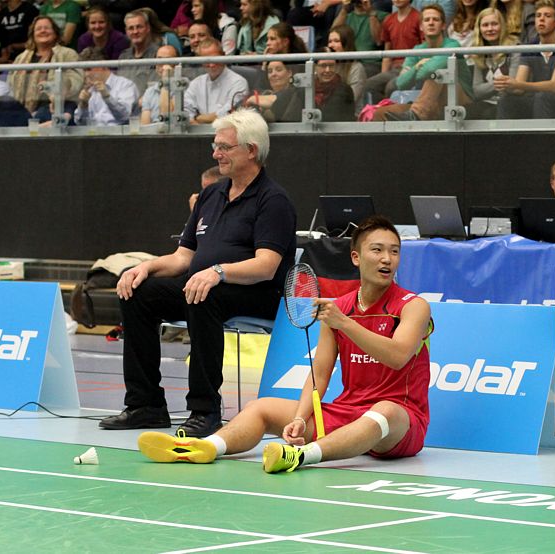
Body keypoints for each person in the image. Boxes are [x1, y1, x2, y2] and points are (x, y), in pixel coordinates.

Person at [137, 214, 434, 475]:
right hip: (347, 413)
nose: (387, 259)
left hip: (401, 423)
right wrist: (300, 418)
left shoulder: (412, 306)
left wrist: (345, 323)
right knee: (261, 407)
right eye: (377, 250)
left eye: (394, 251)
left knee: (385, 411)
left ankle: (300, 456)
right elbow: (320, 373)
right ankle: (205, 447)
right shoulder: (341, 307)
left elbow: (398, 356)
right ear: (356, 257)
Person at [99, 108, 297, 437]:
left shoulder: (273, 200)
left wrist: (218, 272)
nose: (216, 154)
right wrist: (145, 267)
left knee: (204, 294)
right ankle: (145, 405)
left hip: (260, 293)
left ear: (251, 150)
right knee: (139, 293)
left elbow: (266, 265)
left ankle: (205, 411)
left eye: (224, 147)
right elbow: (183, 257)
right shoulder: (211, 195)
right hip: (206, 286)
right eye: (215, 146)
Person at [376, 4, 473, 121]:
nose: (431, 23)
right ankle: (414, 117)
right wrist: (416, 67)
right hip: (430, 103)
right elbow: (401, 83)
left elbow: (430, 69)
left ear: (443, 25)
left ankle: (417, 114)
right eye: (427, 20)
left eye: (435, 19)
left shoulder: (452, 45)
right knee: (380, 113)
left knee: (437, 75)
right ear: (421, 27)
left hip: (460, 100)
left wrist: (417, 72)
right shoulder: (417, 50)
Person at [495, 0, 555, 119]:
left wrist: (518, 84)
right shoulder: (530, 47)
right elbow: (519, 89)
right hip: (541, 101)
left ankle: (540, 133)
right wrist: (507, 84)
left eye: (547, 16)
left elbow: (554, 86)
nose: (541, 19)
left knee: (542, 97)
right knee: (506, 101)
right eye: (538, 16)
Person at [8, 15, 83, 120]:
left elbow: (76, 81)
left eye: (47, 28)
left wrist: (58, 87)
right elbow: (10, 84)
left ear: (55, 33)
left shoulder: (68, 54)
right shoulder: (21, 58)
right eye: (38, 29)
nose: (43, 31)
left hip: (53, 108)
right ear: (33, 35)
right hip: (22, 111)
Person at [362, 0, 423, 103]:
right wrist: (383, 75)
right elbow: (387, 53)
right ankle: (377, 110)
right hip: (394, 69)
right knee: (369, 85)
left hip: (412, 67)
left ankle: (391, 110)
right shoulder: (389, 19)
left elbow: (424, 47)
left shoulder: (418, 17)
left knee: (391, 86)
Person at [467, 7, 518, 119]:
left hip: (511, 102)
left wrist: (488, 87)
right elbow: (476, 91)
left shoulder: (515, 48)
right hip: (487, 103)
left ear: (502, 26)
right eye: (485, 25)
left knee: (491, 112)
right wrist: (499, 84)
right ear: (479, 29)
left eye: (494, 24)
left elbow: (513, 85)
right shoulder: (479, 52)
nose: (490, 29)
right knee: (464, 112)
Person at [185, 38, 250, 124]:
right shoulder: (196, 83)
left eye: (215, 59)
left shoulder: (238, 82)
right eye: (206, 61)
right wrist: (193, 120)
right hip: (199, 130)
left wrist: (199, 118)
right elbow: (186, 110)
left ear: (223, 56)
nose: (211, 65)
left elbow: (229, 113)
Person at [74, 47, 139, 126]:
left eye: (89, 69)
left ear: (103, 65)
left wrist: (107, 97)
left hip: (119, 133)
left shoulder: (126, 85)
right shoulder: (90, 90)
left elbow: (124, 116)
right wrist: (83, 106)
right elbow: (80, 123)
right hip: (93, 133)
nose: (86, 74)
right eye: (84, 70)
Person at [331, 0, 388, 75]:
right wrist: (344, 9)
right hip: (348, 63)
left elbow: (378, 41)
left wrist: (371, 14)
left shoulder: (383, 16)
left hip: (370, 63)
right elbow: (332, 35)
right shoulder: (346, 17)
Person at [118, 10, 162, 101]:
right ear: (126, 31)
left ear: (148, 28)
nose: (135, 31)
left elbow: (156, 89)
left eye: (139, 27)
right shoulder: (123, 56)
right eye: (131, 28)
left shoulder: (158, 54)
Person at [327, 24, 368, 109]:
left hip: (350, 113)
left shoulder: (357, 68)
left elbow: (351, 99)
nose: (331, 45)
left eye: (336, 41)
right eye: (330, 41)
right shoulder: (328, 67)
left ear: (347, 44)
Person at [140, 44, 180, 124]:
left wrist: (165, 80)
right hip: (153, 131)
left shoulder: (184, 87)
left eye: (168, 60)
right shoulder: (150, 91)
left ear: (176, 65)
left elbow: (168, 118)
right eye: (159, 60)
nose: (162, 64)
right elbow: (145, 124)